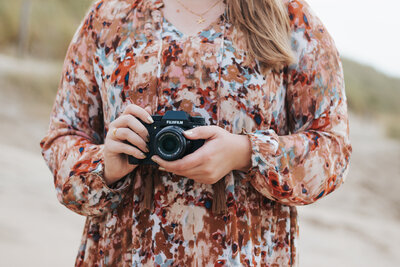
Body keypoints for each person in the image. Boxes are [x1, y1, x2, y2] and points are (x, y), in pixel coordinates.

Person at [40, 0, 352, 265]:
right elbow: (62, 136)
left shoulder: (290, 19)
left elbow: (332, 151)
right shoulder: (110, 15)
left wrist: (245, 153)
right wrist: (105, 165)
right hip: (125, 254)